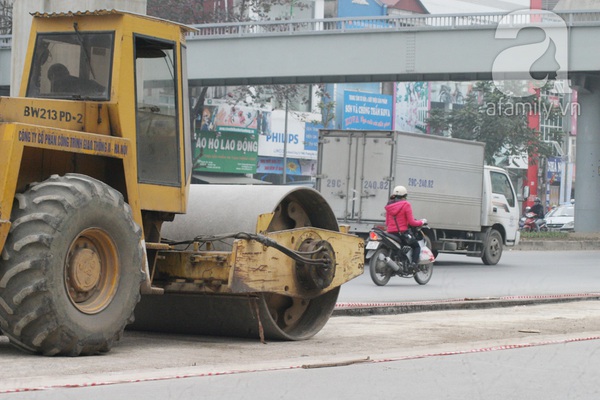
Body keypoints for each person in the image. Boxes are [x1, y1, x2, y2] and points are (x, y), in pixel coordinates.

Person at [385, 185, 427, 270]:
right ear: (405, 196)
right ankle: (413, 264)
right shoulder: (406, 205)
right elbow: (412, 222)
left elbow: (387, 223)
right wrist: (422, 222)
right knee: (416, 246)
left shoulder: (389, 206)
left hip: (390, 233)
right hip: (402, 233)